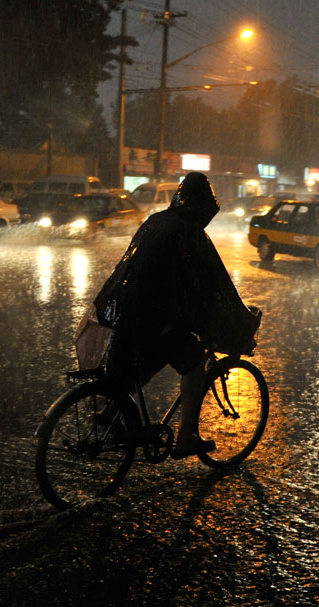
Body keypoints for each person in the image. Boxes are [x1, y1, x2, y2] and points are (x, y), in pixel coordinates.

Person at [92, 172, 260, 459]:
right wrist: (237, 323)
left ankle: (111, 411)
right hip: (154, 315)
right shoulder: (188, 231)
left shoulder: (156, 221)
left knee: (151, 360)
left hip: (126, 311)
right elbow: (214, 284)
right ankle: (185, 437)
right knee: (193, 363)